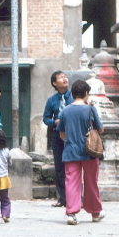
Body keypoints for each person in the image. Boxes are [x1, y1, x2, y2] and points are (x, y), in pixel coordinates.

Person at [57, 80, 104, 225]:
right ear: (85, 93)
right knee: (91, 182)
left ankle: (71, 213)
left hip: (70, 151)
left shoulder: (65, 110)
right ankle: (95, 213)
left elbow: (61, 134)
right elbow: (100, 130)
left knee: (71, 182)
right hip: (89, 152)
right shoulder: (90, 109)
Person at [42, 71, 73, 208]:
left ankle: (77, 197)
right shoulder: (52, 100)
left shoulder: (74, 97)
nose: (65, 79)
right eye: (61, 78)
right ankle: (62, 198)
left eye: (65, 76)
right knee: (59, 166)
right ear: (54, 83)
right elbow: (45, 118)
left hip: (72, 134)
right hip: (57, 134)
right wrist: (54, 122)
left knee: (73, 165)